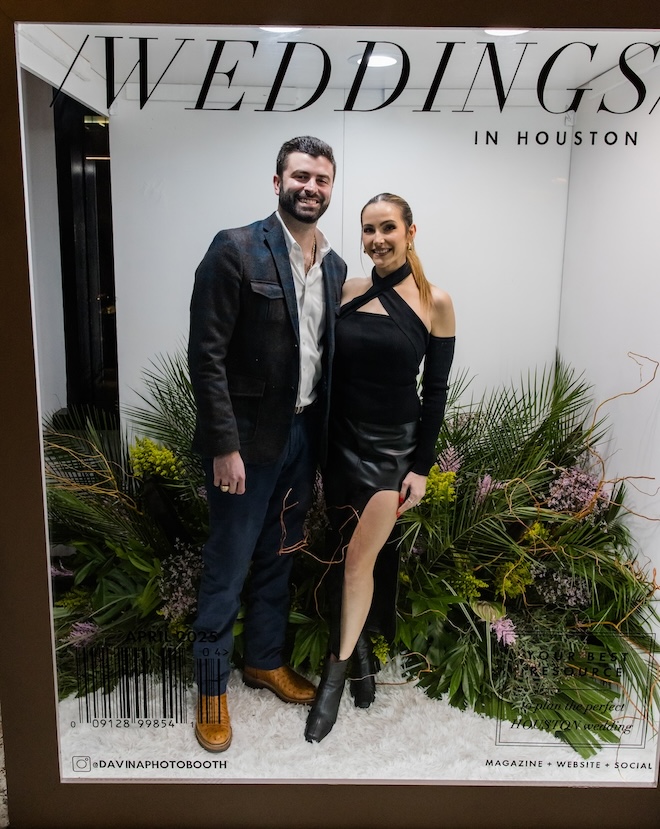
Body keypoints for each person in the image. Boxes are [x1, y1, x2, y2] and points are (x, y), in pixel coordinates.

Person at [188, 136, 347, 752]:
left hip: (304, 436)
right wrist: (224, 445)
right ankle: (210, 687)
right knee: (228, 564)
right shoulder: (234, 249)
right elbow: (207, 358)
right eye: (301, 175)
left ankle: (264, 660)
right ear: (277, 180)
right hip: (246, 444)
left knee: (281, 553)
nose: (311, 187)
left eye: (322, 179)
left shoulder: (333, 267)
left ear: (331, 188)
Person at [305, 193, 456, 743]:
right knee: (344, 552)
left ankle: (333, 681)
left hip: (391, 452)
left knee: (356, 564)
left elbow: (434, 392)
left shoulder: (436, 302)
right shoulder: (345, 290)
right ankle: (362, 648)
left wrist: (420, 467)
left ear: (411, 231)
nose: (377, 239)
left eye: (388, 227)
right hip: (338, 442)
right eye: (368, 230)